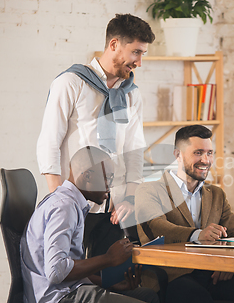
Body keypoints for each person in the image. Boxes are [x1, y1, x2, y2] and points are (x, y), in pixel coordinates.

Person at [20, 146, 180, 303]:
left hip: (68, 292)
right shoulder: (64, 207)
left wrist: (108, 283)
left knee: (147, 296)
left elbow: (65, 271)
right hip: (59, 302)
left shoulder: (68, 203)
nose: (110, 185)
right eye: (107, 178)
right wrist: (109, 259)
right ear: (87, 176)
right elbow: (57, 271)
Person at [135, 125, 234, 303]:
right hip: (171, 276)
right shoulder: (150, 189)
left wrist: (231, 264)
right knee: (199, 300)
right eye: (197, 153)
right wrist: (197, 234)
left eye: (209, 153)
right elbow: (158, 226)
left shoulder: (216, 194)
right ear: (178, 155)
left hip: (212, 274)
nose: (206, 160)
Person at [36, 13, 155, 227]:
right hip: (72, 206)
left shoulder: (131, 94)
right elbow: (49, 142)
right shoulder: (71, 83)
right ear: (114, 44)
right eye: (135, 52)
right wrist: (59, 201)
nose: (139, 62)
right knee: (73, 262)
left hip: (115, 210)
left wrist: (130, 198)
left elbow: (134, 150)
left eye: (142, 53)